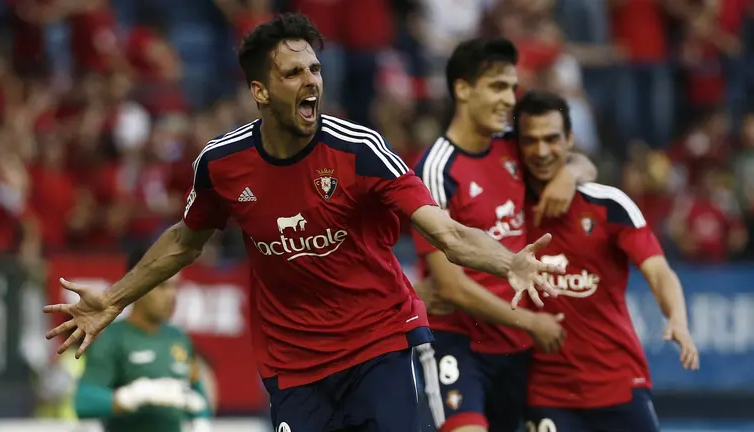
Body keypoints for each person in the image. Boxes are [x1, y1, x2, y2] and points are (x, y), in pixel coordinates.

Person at [43, 14, 566, 432]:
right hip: (295, 368)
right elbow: (185, 240)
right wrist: (112, 301)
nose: (310, 81)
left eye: (315, 70)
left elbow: (447, 233)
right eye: (293, 74)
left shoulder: (361, 151)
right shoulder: (222, 164)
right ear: (261, 92)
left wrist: (509, 261)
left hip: (380, 346)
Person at [412, 37, 597, 432]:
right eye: (497, 86)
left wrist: (569, 174)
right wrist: (532, 323)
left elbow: (579, 159)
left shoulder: (512, 148)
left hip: (518, 349)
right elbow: (450, 288)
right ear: (462, 89)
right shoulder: (436, 169)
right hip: (459, 344)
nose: (510, 99)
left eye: (512, 88)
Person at [514, 90, 699, 432]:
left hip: (620, 382)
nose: (541, 151)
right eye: (531, 140)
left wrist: (677, 317)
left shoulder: (610, 204)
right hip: (546, 394)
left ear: (570, 139)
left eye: (552, 139)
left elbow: (657, 269)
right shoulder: (508, 210)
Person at [74, 249, 212, 432]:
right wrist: (133, 395)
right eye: (162, 286)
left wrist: (201, 419)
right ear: (136, 286)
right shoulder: (112, 338)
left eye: (175, 287)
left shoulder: (179, 338)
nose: (171, 296)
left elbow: (199, 397)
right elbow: (83, 402)